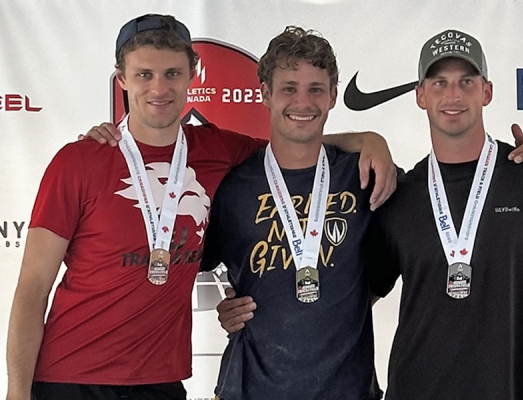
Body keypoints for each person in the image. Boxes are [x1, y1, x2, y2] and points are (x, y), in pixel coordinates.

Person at [5, 14, 397, 400]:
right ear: (121, 79)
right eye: (144, 74)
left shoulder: (218, 152)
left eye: (172, 74)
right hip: (70, 377)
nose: (159, 88)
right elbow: (32, 290)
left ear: (192, 73)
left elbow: (295, 144)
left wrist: (368, 138)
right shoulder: (78, 161)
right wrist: (17, 393)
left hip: (160, 381)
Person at [197, 27, 523, 400]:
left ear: (334, 96)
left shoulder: (368, 176)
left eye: (316, 89)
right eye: (289, 88)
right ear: (265, 95)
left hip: (349, 390)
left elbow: (432, 233)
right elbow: (190, 271)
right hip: (248, 389)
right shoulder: (233, 188)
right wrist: (225, 307)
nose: (302, 102)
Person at [363, 29, 523, 400]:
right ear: (420, 96)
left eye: (466, 82)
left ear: (486, 91)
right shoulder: (400, 196)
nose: (453, 95)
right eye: (439, 82)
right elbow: (355, 300)